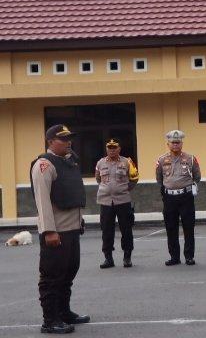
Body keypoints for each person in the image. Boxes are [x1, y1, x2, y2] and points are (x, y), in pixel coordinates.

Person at [31, 125, 90, 334]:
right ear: (50, 142)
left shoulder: (69, 162)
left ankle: (64, 312)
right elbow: (43, 201)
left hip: (71, 229)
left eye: (69, 138)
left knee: (68, 273)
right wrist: (49, 231)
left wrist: (79, 222)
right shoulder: (44, 165)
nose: (68, 142)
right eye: (63, 139)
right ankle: (50, 320)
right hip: (56, 231)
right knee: (52, 277)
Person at [156, 129, 201, 266]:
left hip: (186, 197)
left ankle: (189, 256)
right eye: (173, 142)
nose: (175, 145)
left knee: (188, 228)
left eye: (178, 142)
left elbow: (197, 176)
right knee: (171, 228)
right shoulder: (162, 160)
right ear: (168, 144)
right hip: (169, 198)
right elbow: (159, 178)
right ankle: (174, 257)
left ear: (182, 144)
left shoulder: (190, 158)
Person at [95, 138, 139, 268]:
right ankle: (108, 258)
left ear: (119, 149)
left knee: (126, 229)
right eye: (109, 148)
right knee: (106, 230)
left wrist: (123, 189)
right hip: (105, 201)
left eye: (114, 148)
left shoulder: (127, 162)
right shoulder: (100, 162)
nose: (112, 150)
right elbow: (98, 178)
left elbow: (134, 178)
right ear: (106, 149)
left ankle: (127, 257)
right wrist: (108, 189)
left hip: (123, 200)